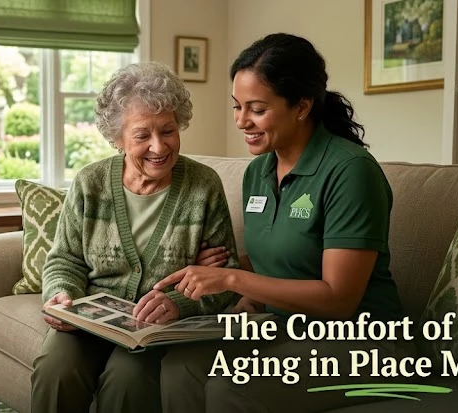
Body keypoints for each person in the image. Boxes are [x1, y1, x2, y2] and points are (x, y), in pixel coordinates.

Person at [157, 33, 415, 413]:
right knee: (180, 367)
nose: (242, 121)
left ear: (301, 106)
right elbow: (277, 260)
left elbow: (339, 300)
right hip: (288, 328)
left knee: (233, 386)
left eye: (256, 109)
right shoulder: (258, 171)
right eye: (237, 107)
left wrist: (231, 279)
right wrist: (216, 274)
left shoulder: (350, 172)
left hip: (363, 341)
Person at [31, 61, 240, 413]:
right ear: (117, 138)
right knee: (55, 370)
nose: (159, 147)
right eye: (142, 135)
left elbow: (226, 277)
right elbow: (65, 258)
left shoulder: (203, 187)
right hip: (89, 321)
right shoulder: (90, 183)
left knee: (127, 381)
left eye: (168, 131)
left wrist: (179, 302)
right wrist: (61, 295)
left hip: (156, 332)